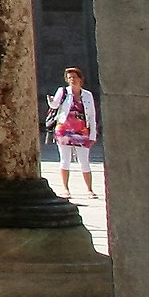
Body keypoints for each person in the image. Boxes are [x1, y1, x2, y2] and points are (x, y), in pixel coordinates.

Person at [46, 67, 99, 198]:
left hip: (81, 131)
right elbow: (54, 105)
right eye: (69, 78)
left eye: (74, 77)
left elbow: (92, 115)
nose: (72, 80)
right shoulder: (63, 91)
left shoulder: (87, 95)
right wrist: (51, 101)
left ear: (80, 79)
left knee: (84, 161)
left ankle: (89, 189)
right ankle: (66, 189)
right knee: (65, 160)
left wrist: (93, 135)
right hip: (64, 130)